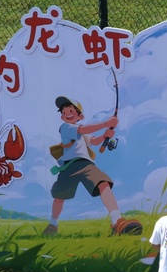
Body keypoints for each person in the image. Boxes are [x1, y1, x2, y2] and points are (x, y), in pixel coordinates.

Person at [45, 95, 142, 237]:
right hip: (69, 166)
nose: (67, 113)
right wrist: (106, 124)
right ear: (62, 117)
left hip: (85, 164)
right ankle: (53, 225)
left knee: (103, 183)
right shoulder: (66, 127)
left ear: (80, 115)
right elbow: (83, 130)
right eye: (64, 112)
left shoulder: (81, 133)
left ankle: (117, 222)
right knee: (59, 197)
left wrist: (105, 135)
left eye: (71, 110)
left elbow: (94, 141)